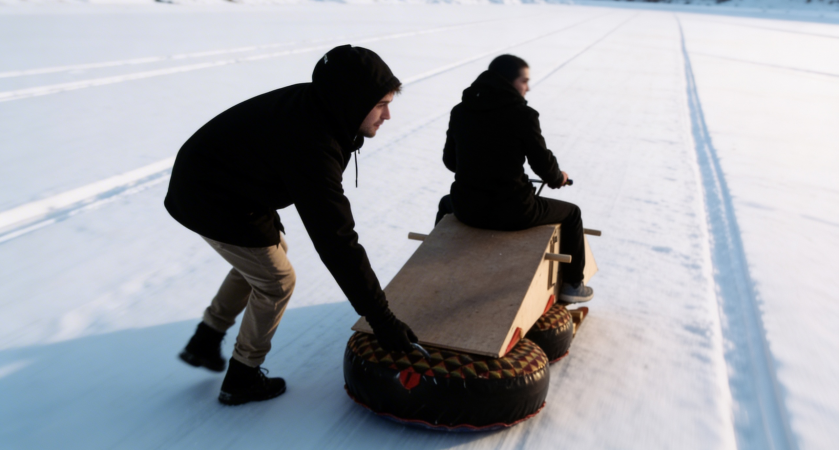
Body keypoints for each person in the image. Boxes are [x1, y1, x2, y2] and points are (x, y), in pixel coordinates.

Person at [165, 45, 418, 406]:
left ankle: (205, 341)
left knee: (266, 256)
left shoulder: (322, 106)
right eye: (380, 105)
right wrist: (381, 318)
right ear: (353, 101)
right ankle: (242, 377)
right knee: (276, 281)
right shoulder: (313, 143)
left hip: (226, 185)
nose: (388, 115)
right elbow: (336, 239)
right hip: (207, 196)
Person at [436, 54, 593, 304]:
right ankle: (572, 286)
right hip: (513, 213)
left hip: (468, 209)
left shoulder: (461, 111)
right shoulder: (523, 115)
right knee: (572, 213)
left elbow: (450, 162)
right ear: (508, 81)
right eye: (524, 80)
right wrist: (558, 178)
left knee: (446, 203)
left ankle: (436, 267)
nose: (527, 87)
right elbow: (543, 165)